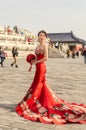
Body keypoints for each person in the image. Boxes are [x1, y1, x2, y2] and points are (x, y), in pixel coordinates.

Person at [16, 30, 86, 124]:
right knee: (38, 84)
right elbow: (37, 57)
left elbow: (46, 58)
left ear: (45, 37)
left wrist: (37, 62)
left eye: (43, 35)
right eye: (40, 35)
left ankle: (35, 101)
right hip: (37, 67)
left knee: (39, 84)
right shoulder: (37, 46)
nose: (41, 37)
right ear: (38, 36)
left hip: (41, 67)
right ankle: (38, 100)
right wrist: (33, 60)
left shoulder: (45, 45)